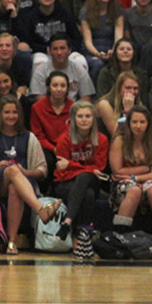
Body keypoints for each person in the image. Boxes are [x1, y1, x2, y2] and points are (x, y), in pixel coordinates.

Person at [0, 96, 54, 255]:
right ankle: (40, 209)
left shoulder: (29, 137)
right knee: (12, 170)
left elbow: (42, 171)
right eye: (7, 112)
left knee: (15, 186)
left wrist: (25, 172)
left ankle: (12, 241)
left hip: (23, 185)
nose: (11, 116)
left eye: (15, 112)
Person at [108, 105, 152, 242]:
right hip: (123, 184)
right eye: (134, 122)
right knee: (134, 190)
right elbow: (118, 171)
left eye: (142, 122)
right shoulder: (120, 140)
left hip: (150, 182)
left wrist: (135, 177)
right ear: (128, 123)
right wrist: (147, 169)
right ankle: (120, 237)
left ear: (148, 124)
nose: (138, 126)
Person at [53, 100, 109, 237]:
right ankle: (82, 233)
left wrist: (72, 165)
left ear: (93, 119)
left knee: (84, 177)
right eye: (80, 116)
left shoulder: (101, 140)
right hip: (65, 183)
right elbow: (62, 171)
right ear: (73, 119)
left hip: (92, 181)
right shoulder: (64, 139)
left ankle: (67, 222)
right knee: (87, 194)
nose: (84, 120)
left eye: (88, 116)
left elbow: (99, 168)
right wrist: (87, 169)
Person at [30, 70, 73, 186]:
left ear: (68, 88)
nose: (59, 89)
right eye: (55, 85)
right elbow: (38, 135)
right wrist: (53, 148)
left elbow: (75, 133)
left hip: (69, 147)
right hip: (47, 148)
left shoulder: (74, 107)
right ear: (48, 87)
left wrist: (63, 148)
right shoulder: (37, 107)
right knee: (46, 159)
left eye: (63, 85)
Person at [80, 0, 124, 80]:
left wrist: (114, 50)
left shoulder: (118, 10)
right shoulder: (85, 11)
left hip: (111, 48)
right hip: (92, 49)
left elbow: (118, 36)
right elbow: (87, 41)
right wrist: (97, 53)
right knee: (98, 64)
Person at [29, 33, 94, 102]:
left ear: (69, 50)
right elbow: (40, 102)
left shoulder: (79, 70)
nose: (59, 52)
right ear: (49, 51)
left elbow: (86, 100)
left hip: (73, 110)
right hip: (48, 111)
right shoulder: (40, 71)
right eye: (55, 49)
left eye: (62, 48)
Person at [96, 70, 143, 137]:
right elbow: (116, 134)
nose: (132, 92)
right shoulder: (104, 104)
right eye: (128, 88)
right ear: (119, 89)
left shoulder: (138, 104)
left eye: (135, 88)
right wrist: (127, 111)